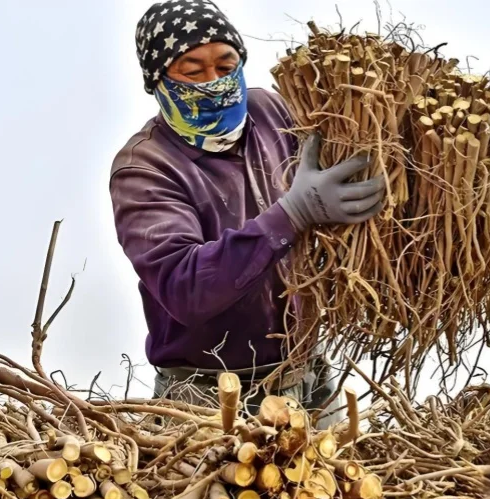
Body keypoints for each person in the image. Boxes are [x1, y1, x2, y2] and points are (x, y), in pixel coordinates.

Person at [109, 0, 385, 427]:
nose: (215, 82)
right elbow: (186, 289)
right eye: (193, 70)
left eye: (226, 64)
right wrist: (292, 213)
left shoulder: (271, 112)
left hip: (306, 376)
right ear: (158, 79)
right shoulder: (145, 169)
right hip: (208, 396)